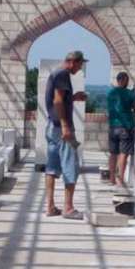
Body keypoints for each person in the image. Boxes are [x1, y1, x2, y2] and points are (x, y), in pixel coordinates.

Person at [45, 50, 89, 219]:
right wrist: (65, 126)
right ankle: (68, 208)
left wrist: (74, 97)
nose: (80, 68)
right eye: (80, 64)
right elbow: (57, 101)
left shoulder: (56, 73)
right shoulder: (63, 74)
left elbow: (59, 100)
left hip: (52, 126)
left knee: (51, 168)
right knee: (71, 166)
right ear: (73, 62)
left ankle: (50, 207)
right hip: (62, 129)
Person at [105, 71, 135, 188]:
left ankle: (111, 179)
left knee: (113, 154)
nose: (127, 83)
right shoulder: (129, 93)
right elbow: (134, 106)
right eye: (127, 80)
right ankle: (120, 180)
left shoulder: (110, 93)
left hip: (113, 126)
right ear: (123, 80)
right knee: (123, 154)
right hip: (126, 126)